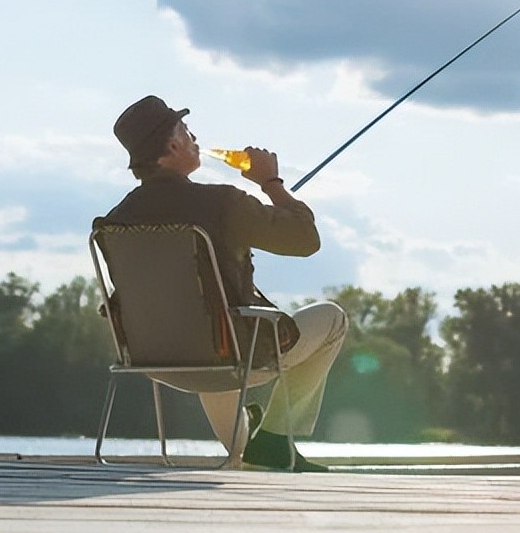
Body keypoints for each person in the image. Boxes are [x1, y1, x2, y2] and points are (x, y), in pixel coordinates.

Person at [105, 95, 346, 472]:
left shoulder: (116, 219)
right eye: (187, 131)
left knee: (205, 328)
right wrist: (271, 183)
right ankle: (276, 440)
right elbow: (304, 240)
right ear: (173, 145)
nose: (195, 137)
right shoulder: (222, 203)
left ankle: (244, 451)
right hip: (225, 358)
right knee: (331, 319)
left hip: (151, 360)